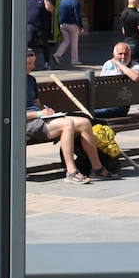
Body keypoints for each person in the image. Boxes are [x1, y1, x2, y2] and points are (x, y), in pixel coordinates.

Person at [24, 49, 113, 183]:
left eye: (33, 63)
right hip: (26, 123)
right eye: (29, 64)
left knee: (84, 122)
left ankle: (97, 168)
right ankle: (71, 171)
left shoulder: (31, 79)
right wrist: (38, 113)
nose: (33, 67)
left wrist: (46, 110)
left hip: (40, 119)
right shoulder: (12, 82)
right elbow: (11, 113)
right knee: (67, 124)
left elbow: (38, 104)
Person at [95, 42, 139, 119]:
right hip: (104, 103)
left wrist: (119, 65)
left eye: (126, 54)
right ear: (114, 55)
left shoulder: (135, 65)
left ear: (130, 55)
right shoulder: (108, 64)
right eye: (120, 54)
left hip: (120, 107)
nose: (123, 57)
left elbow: (135, 77)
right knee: (84, 114)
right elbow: (100, 85)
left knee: (90, 114)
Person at [27, 0, 54, 69]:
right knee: (28, 45)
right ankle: (29, 64)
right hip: (30, 26)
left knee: (44, 45)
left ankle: (47, 63)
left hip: (41, 27)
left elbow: (50, 9)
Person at [54, 0, 83, 66]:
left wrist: (59, 23)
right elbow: (77, 15)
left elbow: (59, 13)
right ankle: (74, 60)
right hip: (73, 24)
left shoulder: (62, 1)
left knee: (66, 41)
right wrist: (80, 26)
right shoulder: (75, 2)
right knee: (74, 43)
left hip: (63, 24)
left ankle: (57, 54)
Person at [120, 0, 139, 66]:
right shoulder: (138, 15)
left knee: (128, 63)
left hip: (127, 42)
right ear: (137, 2)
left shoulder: (124, 13)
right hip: (137, 43)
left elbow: (123, 31)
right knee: (138, 64)